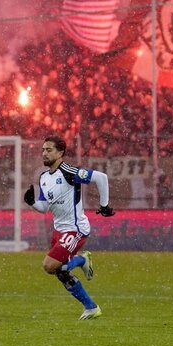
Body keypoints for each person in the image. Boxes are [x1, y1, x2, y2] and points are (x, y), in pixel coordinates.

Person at [24, 135, 115, 320]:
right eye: (43, 149)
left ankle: (81, 261)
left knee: (49, 266)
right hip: (59, 231)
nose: (44, 153)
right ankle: (91, 307)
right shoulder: (43, 178)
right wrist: (32, 202)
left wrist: (104, 205)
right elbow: (44, 208)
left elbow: (101, 178)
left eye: (49, 150)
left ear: (60, 153)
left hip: (75, 229)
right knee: (60, 272)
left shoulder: (69, 172)